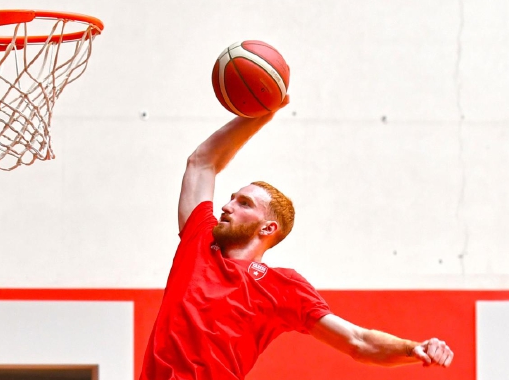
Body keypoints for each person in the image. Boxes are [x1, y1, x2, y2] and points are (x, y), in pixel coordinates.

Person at [140, 96, 454, 379]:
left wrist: (413, 349)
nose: (226, 205)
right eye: (232, 197)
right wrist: (261, 112)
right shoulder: (198, 242)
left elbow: (358, 342)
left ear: (267, 228)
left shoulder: (283, 287)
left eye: (243, 203)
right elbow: (202, 161)